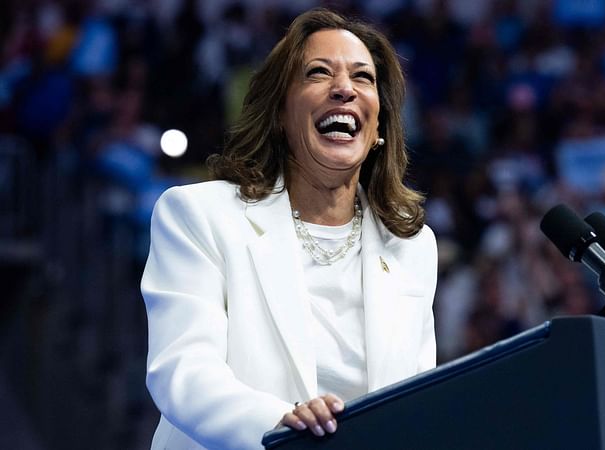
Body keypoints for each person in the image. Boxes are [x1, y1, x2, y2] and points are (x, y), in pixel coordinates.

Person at [141, 8, 438, 450]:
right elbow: (182, 373)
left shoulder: (412, 246)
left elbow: (419, 403)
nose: (344, 89)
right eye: (319, 72)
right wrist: (279, 424)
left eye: (363, 78)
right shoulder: (199, 215)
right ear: (280, 113)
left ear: (379, 125)